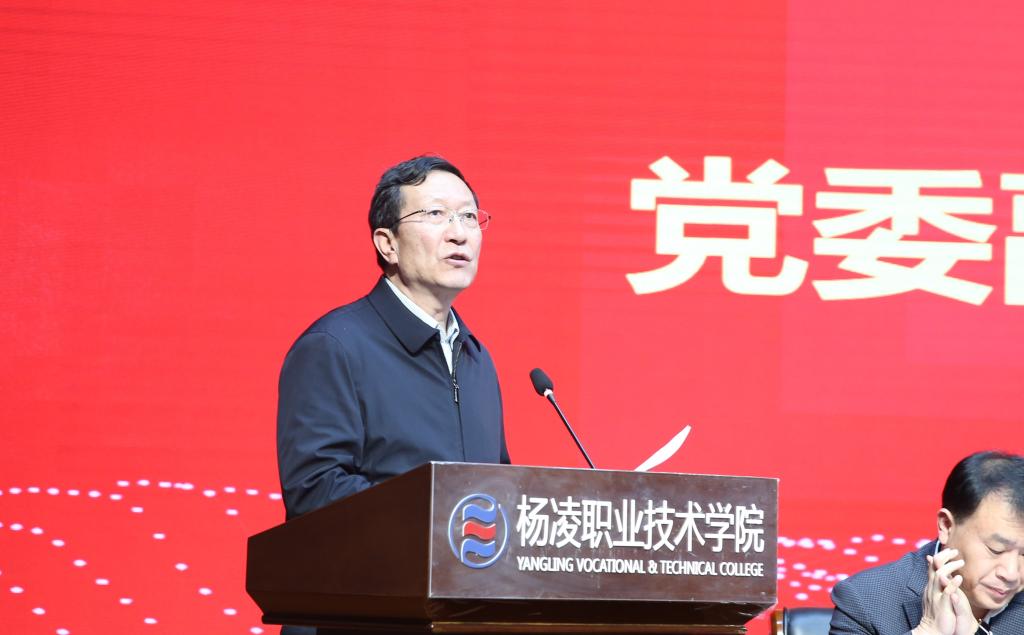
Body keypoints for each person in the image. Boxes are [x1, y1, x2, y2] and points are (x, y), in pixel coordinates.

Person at [830, 451, 1024, 635]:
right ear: (946, 526)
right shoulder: (864, 601)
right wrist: (928, 630)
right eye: (996, 549)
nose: (1011, 573)